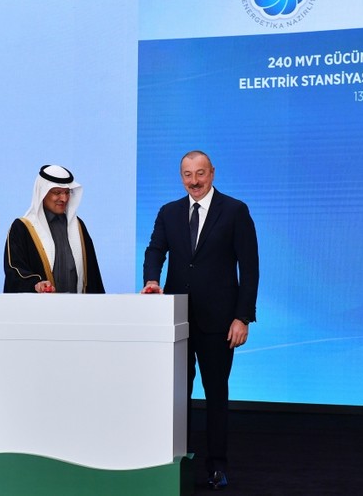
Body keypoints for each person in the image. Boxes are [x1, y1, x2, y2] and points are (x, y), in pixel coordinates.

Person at [141, 150, 259, 491]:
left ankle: (217, 467)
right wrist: (152, 279)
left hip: (220, 323)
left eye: (200, 173)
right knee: (176, 394)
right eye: (187, 174)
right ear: (181, 177)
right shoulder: (168, 212)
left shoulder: (235, 211)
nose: (194, 181)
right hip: (176, 321)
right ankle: (176, 461)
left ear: (212, 173)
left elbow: (250, 268)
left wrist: (242, 317)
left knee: (216, 394)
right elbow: (155, 250)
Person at [4, 164, 105, 294]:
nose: (64, 199)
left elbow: (92, 275)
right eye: (57, 193)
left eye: (67, 193)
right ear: (42, 193)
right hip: (39, 305)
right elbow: (14, 270)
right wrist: (35, 284)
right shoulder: (22, 228)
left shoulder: (78, 226)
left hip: (77, 305)